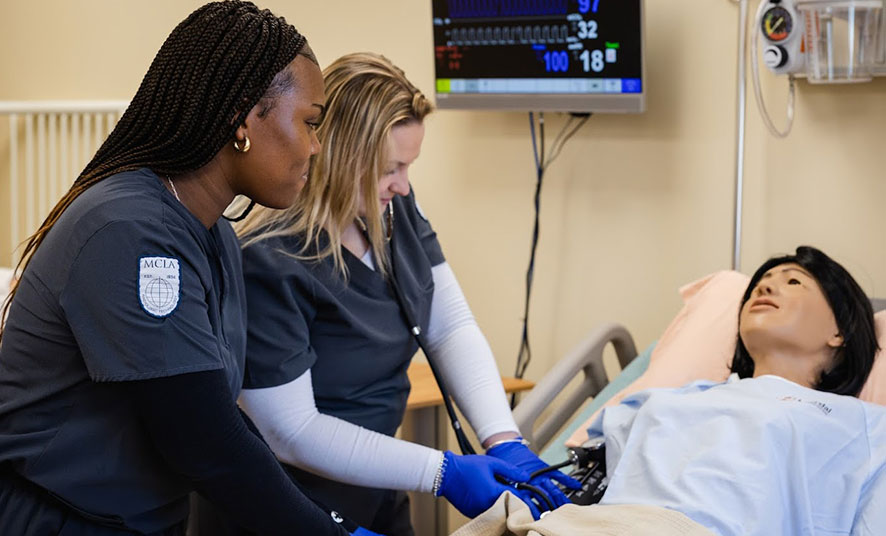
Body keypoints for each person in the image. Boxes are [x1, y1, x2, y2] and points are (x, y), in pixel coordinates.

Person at [0, 3, 379, 535]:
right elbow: (207, 443)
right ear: (244, 119)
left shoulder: (213, 233)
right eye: (311, 122)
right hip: (56, 520)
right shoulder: (128, 231)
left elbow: (214, 413)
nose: (317, 147)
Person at [234, 52, 579, 534]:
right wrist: (443, 473)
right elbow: (290, 432)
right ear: (339, 155)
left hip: (375, 485)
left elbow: (449, 325)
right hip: (294, 508)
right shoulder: (270, 260)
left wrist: (503, 439)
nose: (402, 185)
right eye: (391, 168)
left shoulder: (391, 212)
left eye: (409, 167)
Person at [571, 246, 884, 535]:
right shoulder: (665, 398)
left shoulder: (866, 426)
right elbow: (580, 472)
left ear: (839, 331)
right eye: (761, 282)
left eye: (793, 282)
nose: (764, 287)